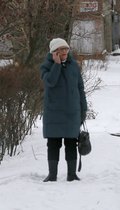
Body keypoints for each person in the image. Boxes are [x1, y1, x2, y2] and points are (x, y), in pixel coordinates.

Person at [40, 38, 87, 182]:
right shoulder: (46, 66)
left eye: (66, 49)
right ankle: (52, 174)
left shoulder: (74, 66)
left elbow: (80, 88)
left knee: (71, 143)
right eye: (61, 50)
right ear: (54, 52)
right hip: (53, 112)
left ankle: (71, 174)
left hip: (72, 112)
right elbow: (50, 82)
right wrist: (56, 65)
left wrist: (83, 108)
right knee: (53, 144)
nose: (65, 52)